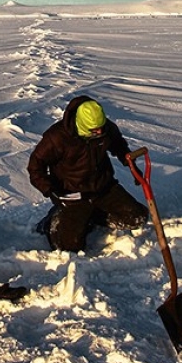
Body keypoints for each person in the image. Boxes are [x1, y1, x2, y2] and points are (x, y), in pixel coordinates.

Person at [28, 95, 148, 252]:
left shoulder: (105, 128)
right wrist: (50, 189)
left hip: (103, 187)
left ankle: (90, 215)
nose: (99, 131)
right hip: (72, 194)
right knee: (69, 247)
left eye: (101, 127)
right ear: (81, 124)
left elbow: (118, 144)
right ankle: (52, 221)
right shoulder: (56, 138)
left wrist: (129, 163)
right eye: (94, 130)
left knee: (137, 218)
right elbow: (35, 166)